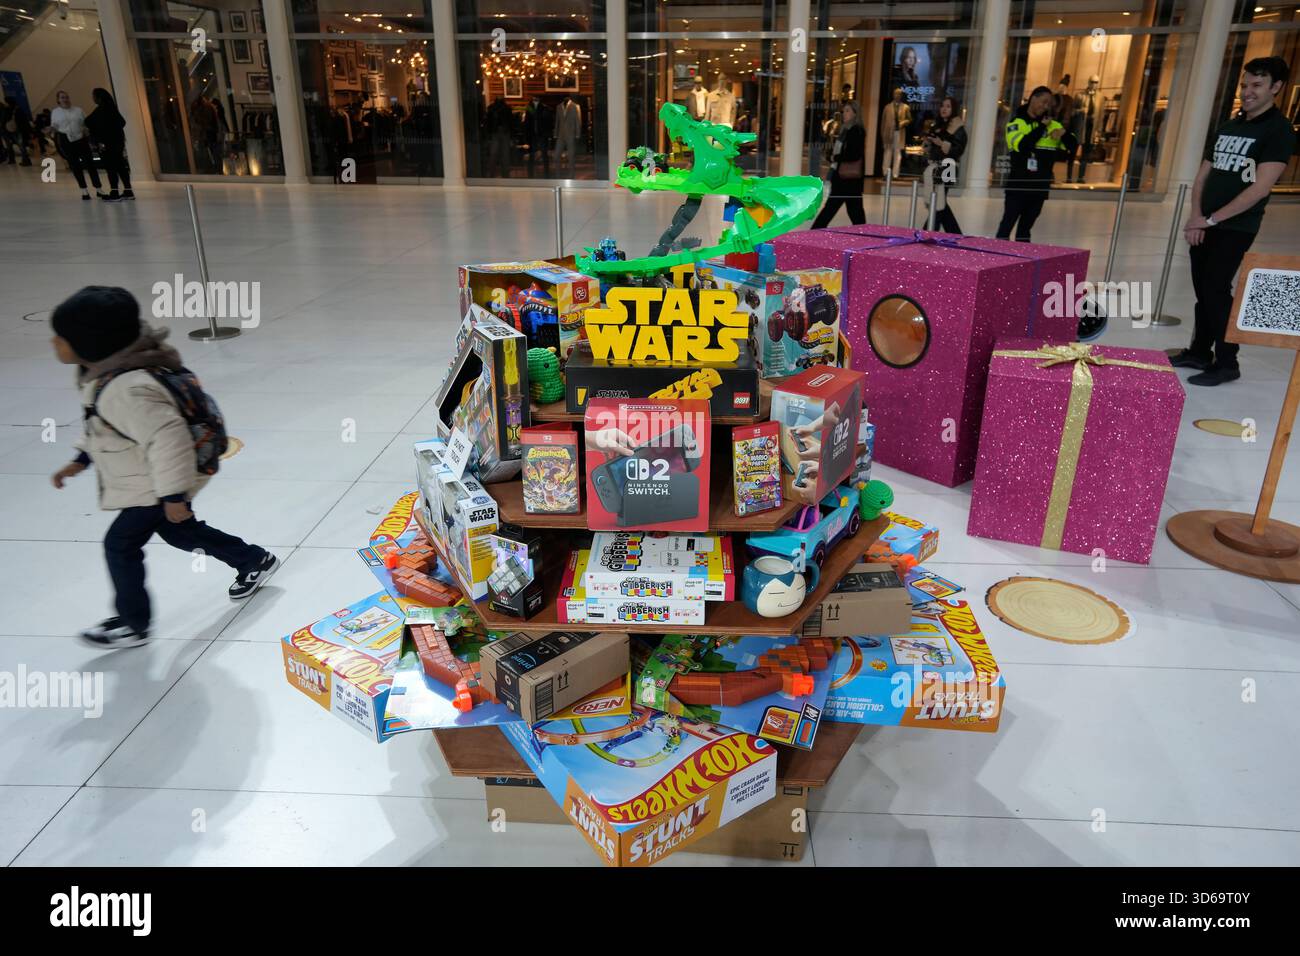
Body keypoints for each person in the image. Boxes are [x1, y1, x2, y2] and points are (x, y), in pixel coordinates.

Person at [49, 287, 279, 649]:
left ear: (90, 342)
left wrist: (173, 496)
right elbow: (104, 425)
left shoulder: (127, 387)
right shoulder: (109, 371)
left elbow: (168, 440)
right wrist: (80, 459)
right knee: (179, 532)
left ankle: (132, 624)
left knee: (120, 545)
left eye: (62, 338)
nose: (54, 344)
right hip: (152, 477)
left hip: (159, 482)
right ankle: (253, 559)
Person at [1170, 57, 1296, 387]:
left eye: (1257, 85)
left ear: (1276, 88)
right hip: (1206, 223)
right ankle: (1199, 351)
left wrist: (1210, 220)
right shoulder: (1228, 126)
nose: (1247, 92)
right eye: (1244, 85)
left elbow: (1260, 188)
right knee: (1203, 289)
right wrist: (1196, 218)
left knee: (1215, 289)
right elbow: (1201, 178)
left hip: (1235, 227)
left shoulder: (1278, 130)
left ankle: (1228, 361)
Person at [996, 86, 1064, 241]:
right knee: (1006, 226)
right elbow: (1023, 146)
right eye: (1043, 102)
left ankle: (1021, 263)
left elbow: (1069, 147)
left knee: (1025, 231)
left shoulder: (1052, 124)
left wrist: (1063, 136)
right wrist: (1041, 127)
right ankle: (996, 261)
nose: (1046, 107)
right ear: (1033, 98)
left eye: (1049, 104)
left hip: (1039, 187)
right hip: (1018, 186)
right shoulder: (1016, 123)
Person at [811, 101, 866, 228]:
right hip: (845, 179)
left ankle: (813, 232)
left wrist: (834, 157)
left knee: (836, 209)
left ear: (855, 114)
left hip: (848, 179)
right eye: (844, 111)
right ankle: (865, 236)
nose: (844, 114)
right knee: (853, 212)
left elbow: (854, 154)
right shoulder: (846, 129)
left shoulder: (856, 131)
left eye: (848, 111)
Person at [921, 96, 966, 233]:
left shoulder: (959, 128)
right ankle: (955, 234)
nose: (944, 109)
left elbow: (958, 150)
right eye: (942, 106)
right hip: (935, 167)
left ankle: (927, 232)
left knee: (938, 202)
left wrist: (941, 144)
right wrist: (928, 143)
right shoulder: (938, 125)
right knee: (940, 202)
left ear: (953, 109)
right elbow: (931, 147)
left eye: (948, 106)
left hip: (948, 167)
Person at [50, 90, 105, 199]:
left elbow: (86, 123)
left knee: (90, 164)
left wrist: (87, 132)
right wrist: (50, 129)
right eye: (62, 98)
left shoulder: (78, 110)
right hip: (66, 139)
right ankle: (84, 190)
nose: (65, 99)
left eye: (66, 97)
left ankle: (99, 189)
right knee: (75, 166)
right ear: (58, 100)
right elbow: (54, 126)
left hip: (81, 139)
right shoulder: (55, 112)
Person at [85, 88, 134, 201]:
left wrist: (101, 135)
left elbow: (88, 121)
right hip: (118, 142)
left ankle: (114, 192)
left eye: (93, 96)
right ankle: (128, 191)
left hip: (107, 143)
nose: (93, 99)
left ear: (98, 97)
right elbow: (122, 122)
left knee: (111, 167)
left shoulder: (100, 110)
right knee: (121, 165)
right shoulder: (112, 108)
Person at [880, 88, 911, 179]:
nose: (897, 95)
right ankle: (885, 173)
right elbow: (883, 122)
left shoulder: (905, 107)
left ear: (901, 96)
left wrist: (903, 123)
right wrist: (882, 134)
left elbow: (909, 119)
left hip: (899, 132)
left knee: (897, 153)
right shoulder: (887, 107)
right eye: (896, 94)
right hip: (888, 132)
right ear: (893, 95)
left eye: (899, 94)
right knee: (887, 152)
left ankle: (895, 174)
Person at [2, 96, 33, 165]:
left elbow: (4, 120)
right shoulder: (18, 109)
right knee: (21, 145)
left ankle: (15, 159)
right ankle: (26, 159)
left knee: (10, 145)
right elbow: (25, 120)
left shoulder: (7, 110)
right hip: (19, 129)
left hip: (10, 130)